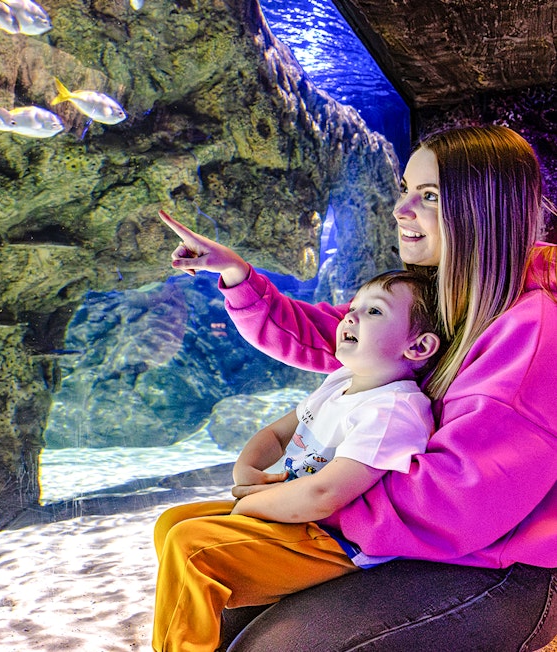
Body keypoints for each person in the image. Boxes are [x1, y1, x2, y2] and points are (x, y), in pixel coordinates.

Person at [156, 124, 557, 651]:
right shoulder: (439, 294)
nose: (401, 209)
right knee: (221, 610)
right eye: (405, 190)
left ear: (484, 211)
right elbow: (327, 335)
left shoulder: (531, 332)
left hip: (501, 561)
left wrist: (309, 499)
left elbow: (456, 499)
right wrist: (237, 277)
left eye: (430, 196)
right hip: (407, 538)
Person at [153, 269, 443, 652]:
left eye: (375, 312)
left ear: (418, 347)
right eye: (353, 308)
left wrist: (251, 503)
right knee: (173, 522)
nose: (351, 317)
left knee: (192, 547)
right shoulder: (340, 381)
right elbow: (276, 434)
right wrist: (246, 470)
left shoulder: (393, 410)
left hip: (333, 540)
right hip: (300, 519)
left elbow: (325, 493)